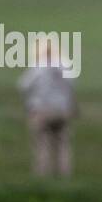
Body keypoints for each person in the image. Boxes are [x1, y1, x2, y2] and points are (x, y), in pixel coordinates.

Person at [17, 38, 76, 178]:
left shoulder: (38, 67)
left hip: (41, 110)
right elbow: (72, 85)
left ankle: (42, 175)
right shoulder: (64, 66)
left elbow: (23, 85)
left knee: (42, 144)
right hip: (62, 111)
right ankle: (64, 175)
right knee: (62, 144)